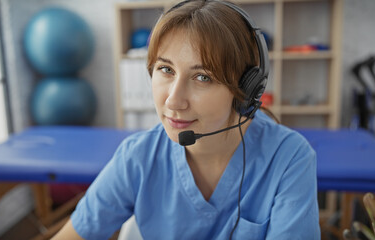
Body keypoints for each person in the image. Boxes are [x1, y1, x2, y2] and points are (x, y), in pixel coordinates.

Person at [53, 0, 320, 239]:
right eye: (166, 69)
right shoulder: (138, 158)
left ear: (246, 90)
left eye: (202, 77)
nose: (172, 101)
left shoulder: (289, 159)